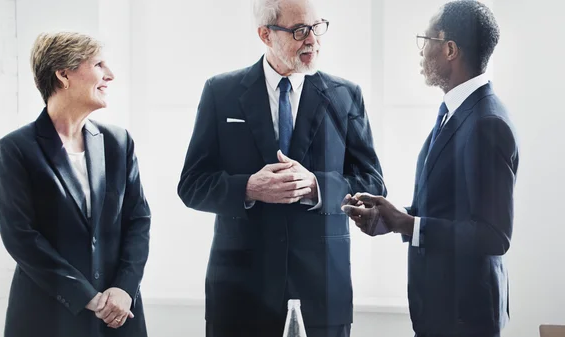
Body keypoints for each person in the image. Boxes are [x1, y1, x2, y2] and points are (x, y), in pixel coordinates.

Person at [177, 0, 386, 335]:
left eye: (317, 28)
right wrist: (248, 187)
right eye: (299, 30)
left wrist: (316, 186)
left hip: (322, 291)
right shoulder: (221, 92)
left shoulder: (346, 95)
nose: (313, 40)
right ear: (265, 35)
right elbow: (192, 185)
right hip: (240, 292)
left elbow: (373, 185)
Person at [342, 1, 519, 337]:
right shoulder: (457, 112)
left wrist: (408, 223)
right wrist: (393, 221)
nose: (421, 53)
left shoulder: (487, 122)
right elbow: (449, 210)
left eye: (426, 41)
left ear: (450, 49)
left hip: (465, 320)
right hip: (441, 314)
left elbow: (493, 235)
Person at [0, 32, 151, 337]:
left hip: (119, 314)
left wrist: (124, 288)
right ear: (63, 75)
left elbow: (138, 221)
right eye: (98, 64)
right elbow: (21, 238)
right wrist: (88, 298)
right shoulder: (15, 149)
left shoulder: (118, 143)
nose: (110, 75)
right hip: (48, 316)